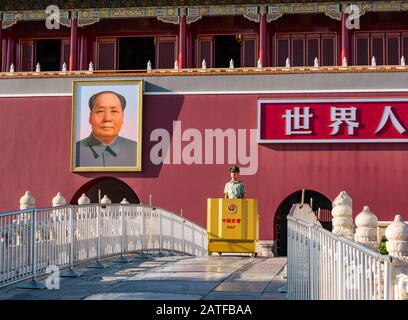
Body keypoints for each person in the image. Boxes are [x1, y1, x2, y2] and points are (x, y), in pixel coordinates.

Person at [76, 91, 137, 167]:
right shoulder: (74, 151)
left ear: (122, 117)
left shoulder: (137, 151)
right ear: (90, 117)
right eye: (100, 111)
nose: (107, 118)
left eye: (114, 111)